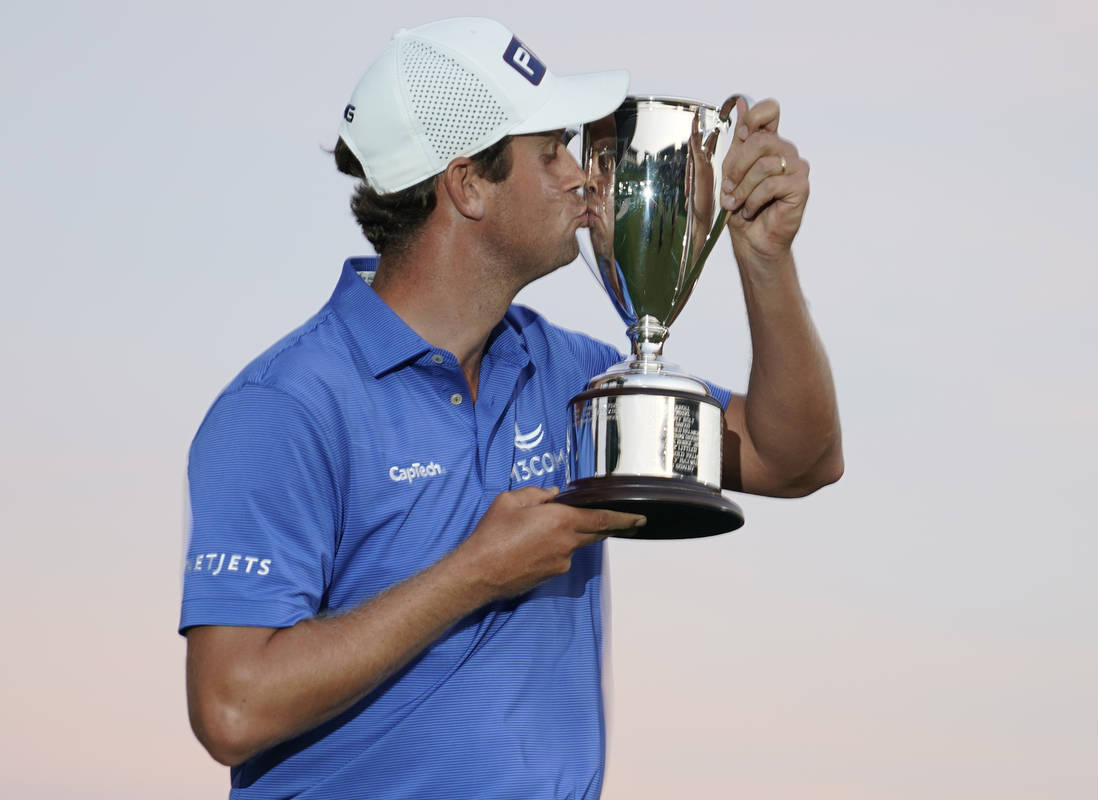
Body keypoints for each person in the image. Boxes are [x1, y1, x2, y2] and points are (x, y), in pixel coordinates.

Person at [181, 16, 842, 800]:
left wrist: (765, 259)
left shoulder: (566, 369)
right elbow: (230, 706)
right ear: (467, 185)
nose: (582, 177)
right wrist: (474, 573)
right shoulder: (286, 405)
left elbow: (793, 458)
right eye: (551, 151)